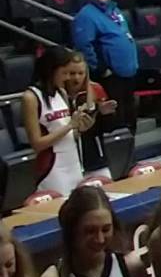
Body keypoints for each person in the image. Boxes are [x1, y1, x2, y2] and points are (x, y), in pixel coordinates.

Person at [19, 48, 107, 203]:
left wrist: (82, 127)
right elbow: (37, 144)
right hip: (52, 168)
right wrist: (69, 126)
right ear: (51, 70)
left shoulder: (62, 92)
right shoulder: (30, 97)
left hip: (73, 163)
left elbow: (70, 134)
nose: (67, 78)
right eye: (64, 73)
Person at [71, 0, 140, 140]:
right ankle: (117, 156)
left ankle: (130, 152)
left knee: (129, 115)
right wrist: (102, 70)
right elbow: (84, 46)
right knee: (114, 119)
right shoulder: (86, 15)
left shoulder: (114, 10)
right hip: (110, 76)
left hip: (127, 72)